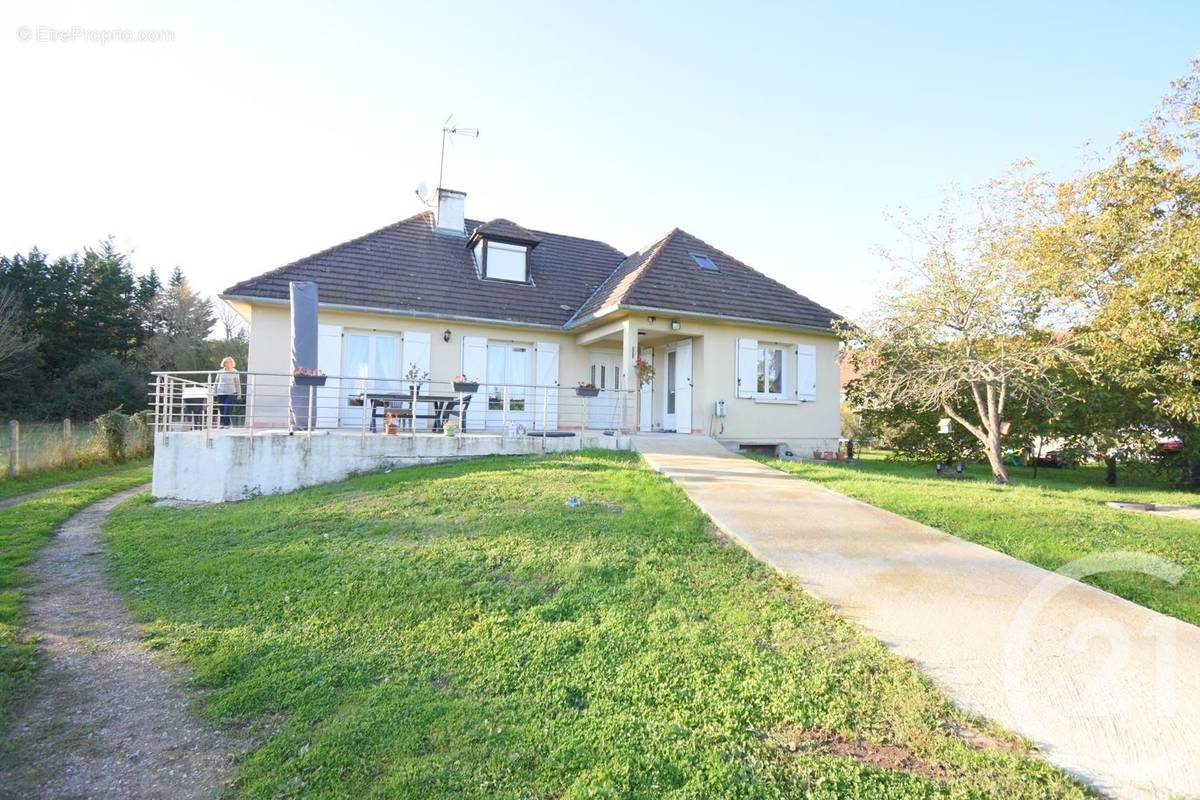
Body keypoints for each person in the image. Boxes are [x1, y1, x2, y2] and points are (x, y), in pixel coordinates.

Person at [213, 357, 242, 428]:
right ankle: (225, 423)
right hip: (220, 393)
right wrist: (214, 392)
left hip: (231, 393)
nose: (227, 364)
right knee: (222, 409)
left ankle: (225, 424)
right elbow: (216, 382)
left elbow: (237, 383)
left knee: (227, 408)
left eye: (229, 362)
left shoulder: (235, 372)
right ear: (224, 363)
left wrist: (239, 394)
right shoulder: (220, 371)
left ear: (232, 363)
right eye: (226, 362)